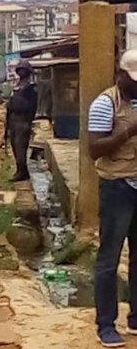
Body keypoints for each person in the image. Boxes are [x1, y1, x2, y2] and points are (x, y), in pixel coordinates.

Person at [88, 49, 137, 348]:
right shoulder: (106, 104)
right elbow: (95, 149)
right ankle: (106, 325)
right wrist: (129, 131)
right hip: (117, 188)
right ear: (120, 75)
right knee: (109, 258)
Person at [5, 59, 38, 181]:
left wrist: (28, 122)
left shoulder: (30, 87)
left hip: (23, 120)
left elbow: (31, 107)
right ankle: (20, 170)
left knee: (21, 147)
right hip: (14, 119)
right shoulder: (18, 85)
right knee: (14, 145)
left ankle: (22, 172)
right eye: (20, 70)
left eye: (24, 70)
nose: (22, 72)